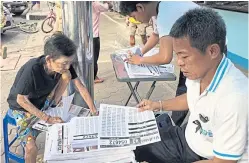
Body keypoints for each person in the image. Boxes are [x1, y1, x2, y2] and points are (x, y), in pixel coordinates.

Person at [134, 8, 248, 163]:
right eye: (177, 55)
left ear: (212, 51)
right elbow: (192, 97)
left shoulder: (234, 98)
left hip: (209, 157)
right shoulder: (199, 71)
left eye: (184, 56)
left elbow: (222, 161)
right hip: (188, 137)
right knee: (136, 146)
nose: (179, 62)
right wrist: (157, 105)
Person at [6, 33, 97, 163]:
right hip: (22, 108)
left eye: (69, 63)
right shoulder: (32, 69)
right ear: (49, 59)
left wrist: (94, 111)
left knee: (66, 77)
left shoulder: (64, 66)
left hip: (43, 101)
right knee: (31, 148)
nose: (67, 67)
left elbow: (80, 87)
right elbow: (21, 100)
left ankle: (53, 109)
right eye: (64, 63)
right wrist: (47, 118)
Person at [120, 1, 199, 126]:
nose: (135, 21)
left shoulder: (165, 13)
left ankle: (179, 127)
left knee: (192, 92)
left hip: (205, 54)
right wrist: (140, 52)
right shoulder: (160, 8)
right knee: (187, 89)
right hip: (196, 50)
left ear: (140, 7)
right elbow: (156, 35)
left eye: (134, 17)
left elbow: (165, 57)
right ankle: (176, 125)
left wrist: (140, 60)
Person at [92, 1, 113, 83]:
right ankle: (93, 77)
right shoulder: (95, 4)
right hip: (94, 36)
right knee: (94, 58)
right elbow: (108, 6)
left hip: (83, 37)